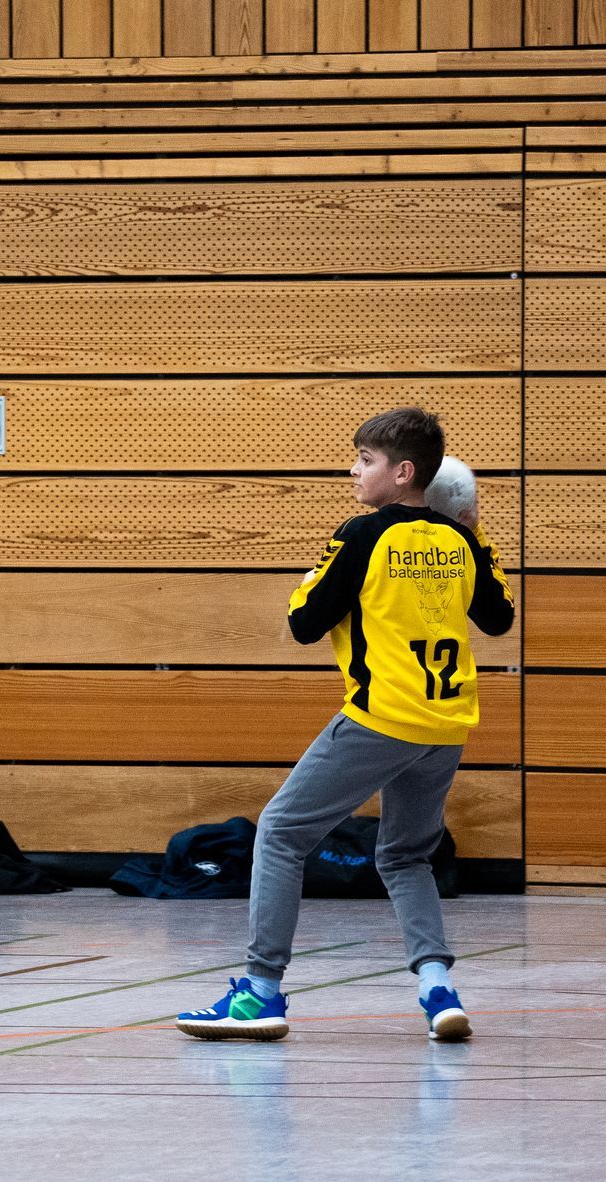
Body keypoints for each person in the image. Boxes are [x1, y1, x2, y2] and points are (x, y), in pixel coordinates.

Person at [176, 407, 515, 1043]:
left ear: (403, 472)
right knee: (406, 856)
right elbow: (499, 617)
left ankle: (258, 994)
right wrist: (475, 533)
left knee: (280, 833)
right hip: (444, 727)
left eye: (365, 461)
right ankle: (437, 988)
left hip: (380, 718)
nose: (353, 471)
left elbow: (304, 622)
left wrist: (316, 580)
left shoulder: (362, 535)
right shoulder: (462, 542)